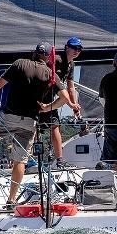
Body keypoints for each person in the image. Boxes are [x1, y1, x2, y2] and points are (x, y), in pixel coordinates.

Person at [0, 42, 69, 208]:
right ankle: (11, 200)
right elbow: (65, 98)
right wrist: (48, 107)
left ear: (34, 53)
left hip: (8, 117)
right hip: (29, 122)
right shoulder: (50, 73)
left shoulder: (19, 63)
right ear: (48, 57)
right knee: (20, 161)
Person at [38, 36, 83, 168]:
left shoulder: (71, 64)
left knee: (55, 126)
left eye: (79, 49)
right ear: (67, 48)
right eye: (74, 48)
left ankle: (59, 159)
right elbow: (56, 84)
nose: (77, 51)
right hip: (39, 98)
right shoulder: (57, 60)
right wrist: (71, 105)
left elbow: (70, 87)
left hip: (52, 99)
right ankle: (30, 160)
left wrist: (75, 107)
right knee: (35, 129)